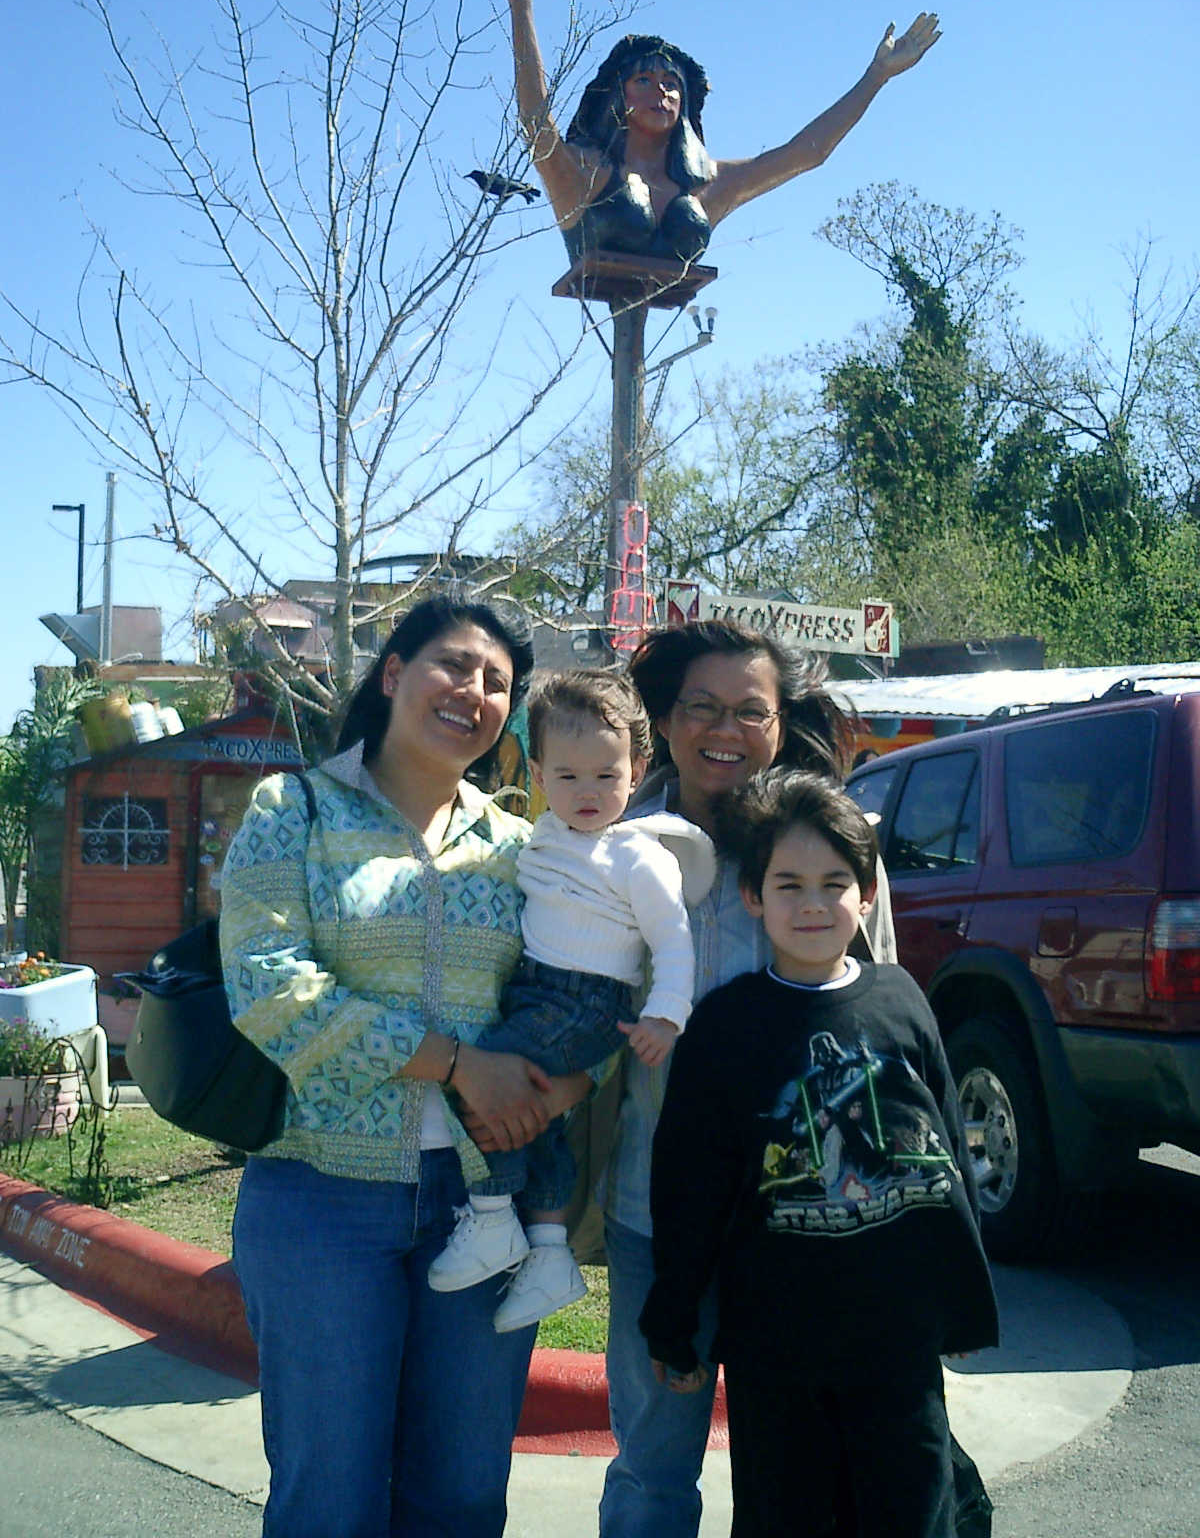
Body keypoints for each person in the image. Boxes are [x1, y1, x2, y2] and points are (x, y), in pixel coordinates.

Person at [219, 592, 587, 1538]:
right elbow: (267, 985)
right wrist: (457, 1064)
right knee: (329, 1499)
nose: (475, 691)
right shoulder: (293, 810)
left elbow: (583, 989)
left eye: (498, 682)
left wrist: (565, 1086)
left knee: (461, 1494)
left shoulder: (524, 850)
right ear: (393, 673)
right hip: (319, 1195)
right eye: (454, 665)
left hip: (484, 1202)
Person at [639, 771, 998, 1537]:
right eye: (789, 884)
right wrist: (673, 1318)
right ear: (753, 896)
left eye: (834, 884)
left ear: (866, 896)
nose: (812, 904)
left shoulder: (901, 998)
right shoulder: (724, 1027)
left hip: (898, 1343)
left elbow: (948, 1164)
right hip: (776, 1348)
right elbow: (689, 1188)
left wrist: (966, 1306)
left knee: (911, 1513)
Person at [598, 617, 896, 1538]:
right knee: (653, 1472)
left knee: (803, 1471)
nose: (724, 729)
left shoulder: (829, 845)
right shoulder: (612, 845)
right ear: (665, 719)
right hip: (658, 1210)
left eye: (750, 711)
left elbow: (879, 1013)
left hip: (804, 1217)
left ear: (778, 724)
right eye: (702, 706)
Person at [428, 667, 715, 1333]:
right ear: (537, 772)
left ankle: (493, 1216)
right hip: (539, 991)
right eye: (568, 776)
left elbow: (674, 940)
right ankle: (550, 1249)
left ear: (638, 770)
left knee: (476, 1077)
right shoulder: (547, 834)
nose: (587, 793)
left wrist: (666, 1016)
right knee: (540, 1120)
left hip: (585, 1002)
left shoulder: (639, 854)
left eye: (606, 776)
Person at [482, 0, 941, 263]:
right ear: (618, 97)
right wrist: (521, 5)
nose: (662, 90)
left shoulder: (710, 183)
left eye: (671, 82)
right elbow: (536, 125)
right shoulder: (586, 171)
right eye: (644, 80)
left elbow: (808, 153)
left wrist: (876, 76)